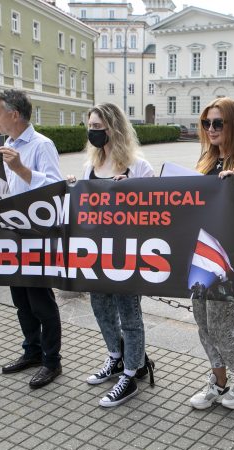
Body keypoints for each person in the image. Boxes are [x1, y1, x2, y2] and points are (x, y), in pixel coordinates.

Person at [76, 102, 155, 407]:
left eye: (98, 127)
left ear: (113, 128)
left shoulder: (138, 166)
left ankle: (132, 373)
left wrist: (133, 192)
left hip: (130, 252)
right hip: (97, 252)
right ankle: (116, 357)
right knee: (101, 307)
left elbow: (157, 212)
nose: (92, 132)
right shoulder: (90, 166)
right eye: (90, 127)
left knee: (129, 313)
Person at [189, 97, 234, 410]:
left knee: (221, 327)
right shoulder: (207, 159)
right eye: (207, 123)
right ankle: (218, 382)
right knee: (203, 324)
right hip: (200, 256)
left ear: (233, 125)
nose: (211, 129)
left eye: (218, 123)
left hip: (227, 262)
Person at [0, 89, 63, 388]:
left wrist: (21, 168)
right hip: (10, 232)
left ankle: (51, 361)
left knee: (40, 300)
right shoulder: (5, 143)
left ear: (14, 114)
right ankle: (31, 351)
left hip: (36, 234)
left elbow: (56, 188)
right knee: (20, 300)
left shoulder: (41, 145)